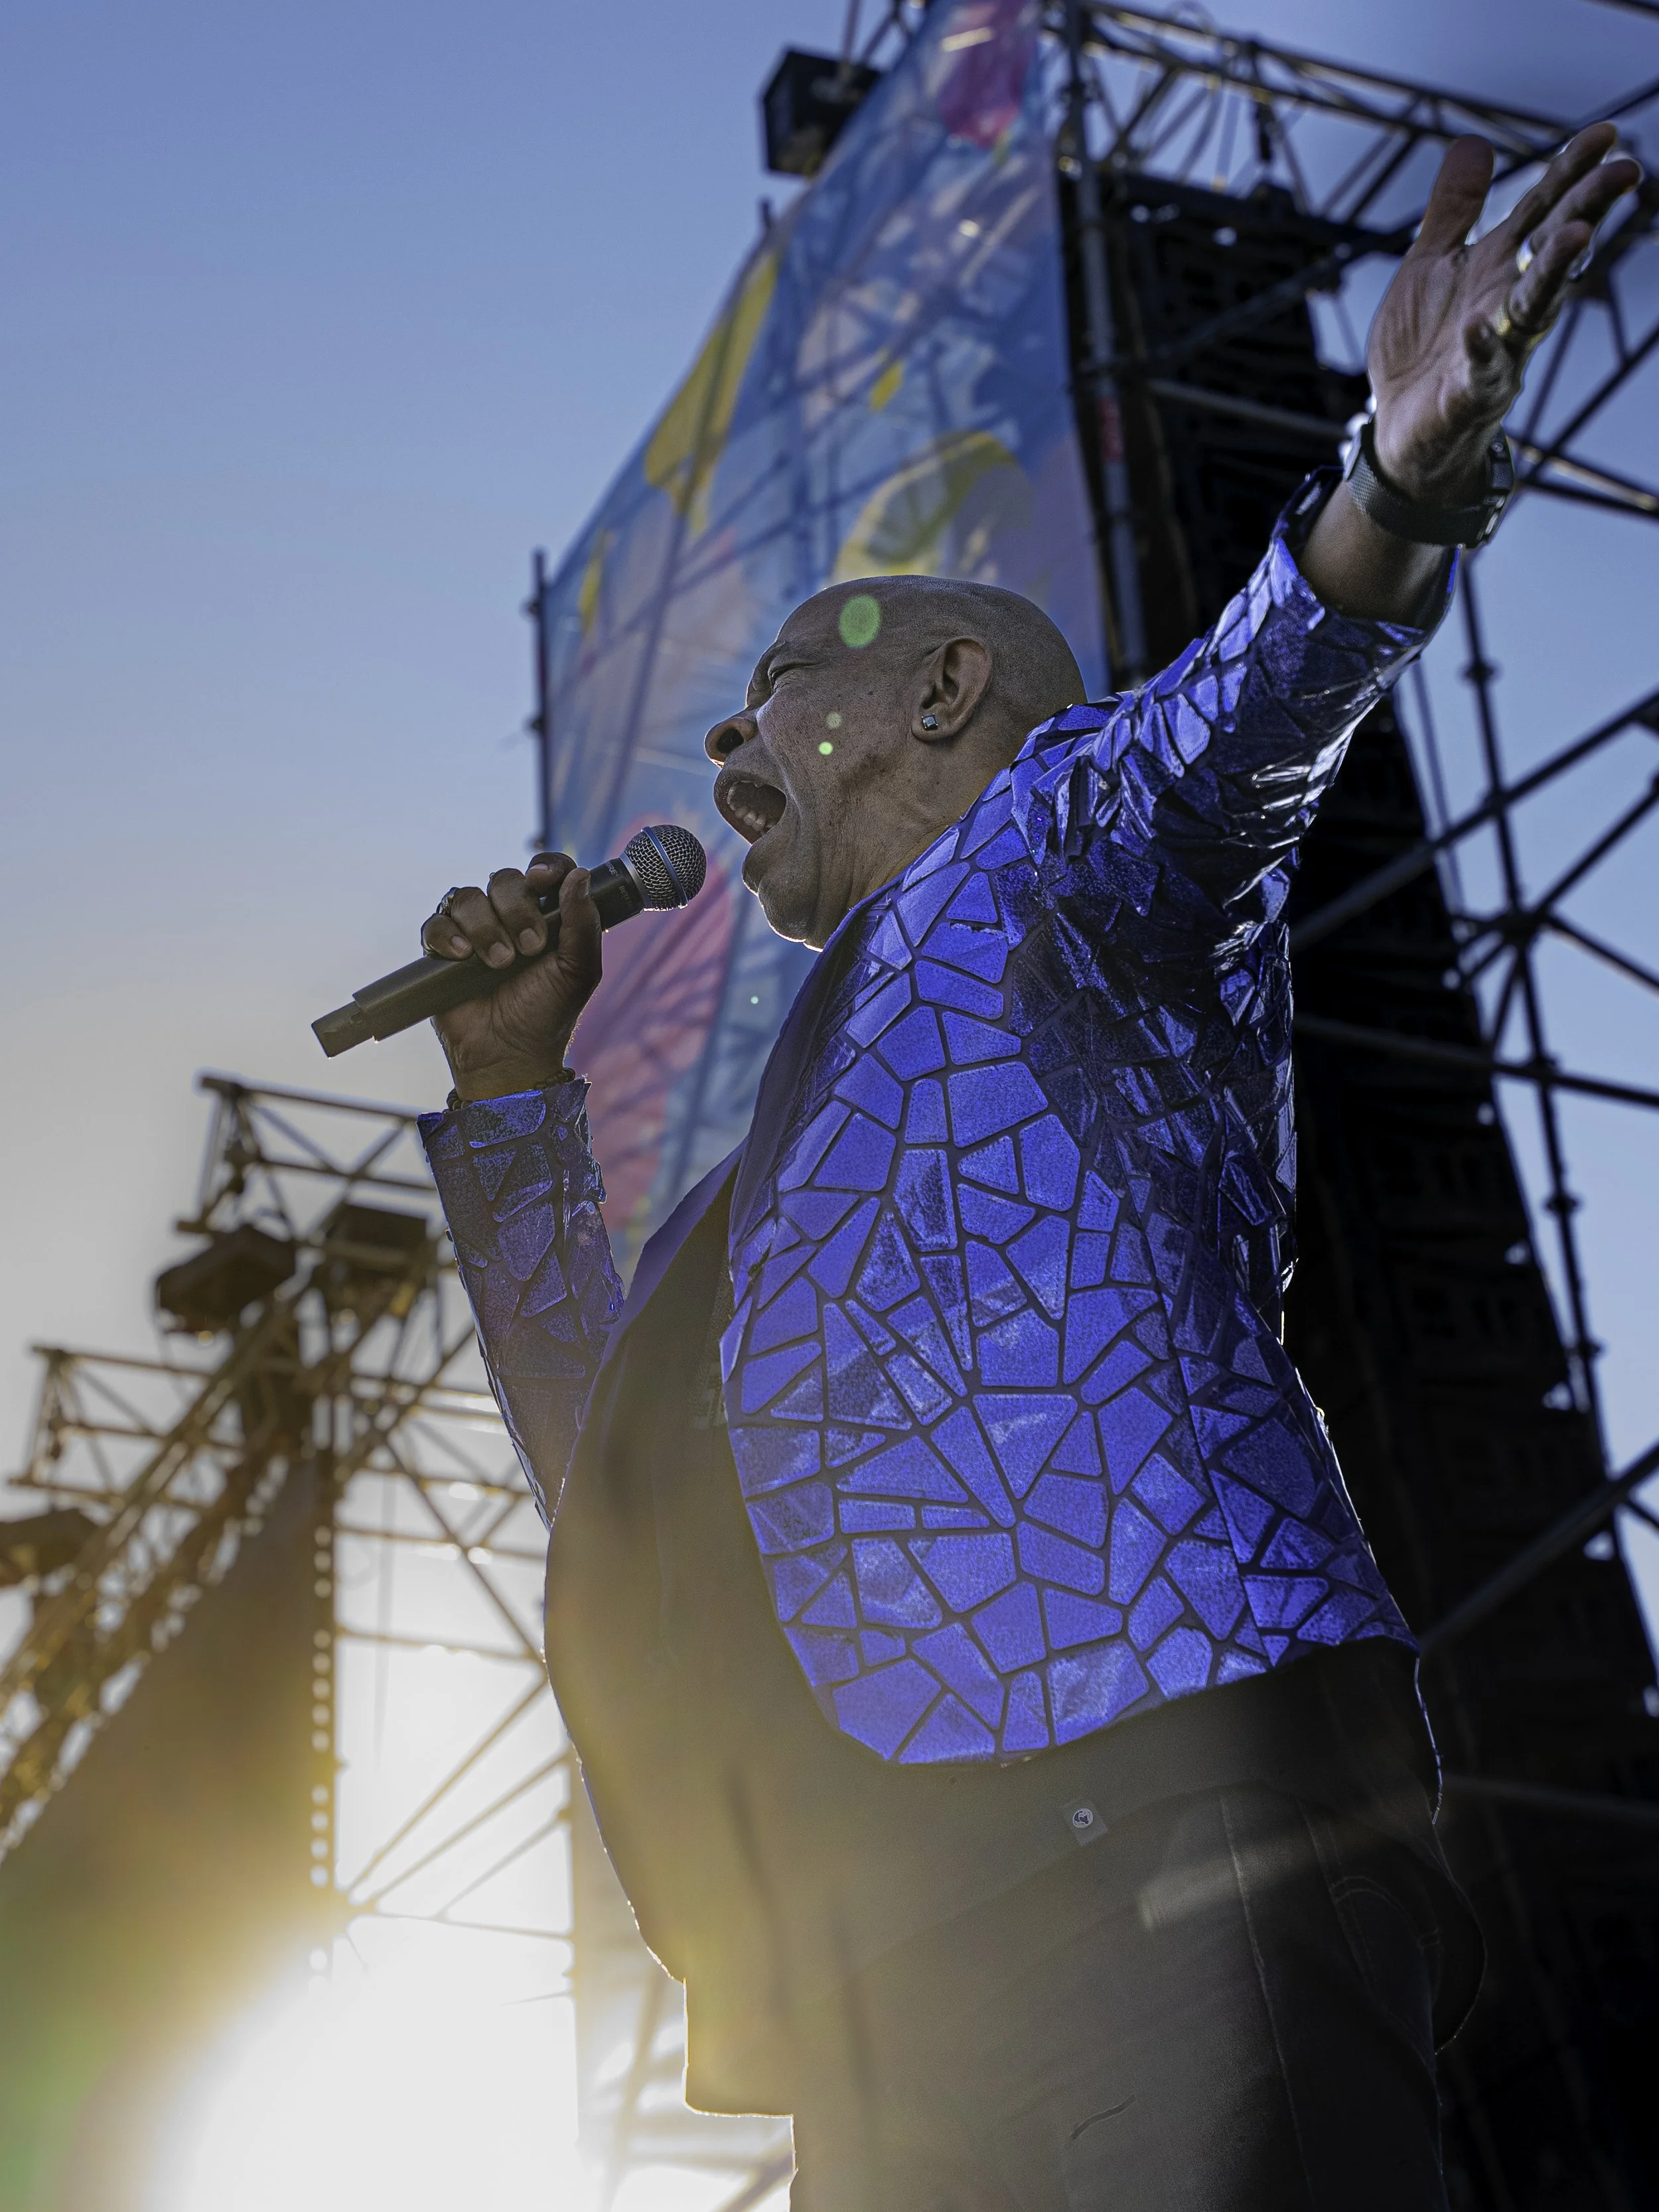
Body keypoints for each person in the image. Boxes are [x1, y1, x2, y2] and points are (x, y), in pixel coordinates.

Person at [414, 130, 1635, 2211]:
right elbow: (614, 1475)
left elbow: (1242, 727)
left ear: (943, 686)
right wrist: (516, 1094)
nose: (727, 749)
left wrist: (1397, 486)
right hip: (888, 1936)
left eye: (778, 684)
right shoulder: (757, 1184)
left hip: (1155, 1825)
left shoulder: (1055, 856)